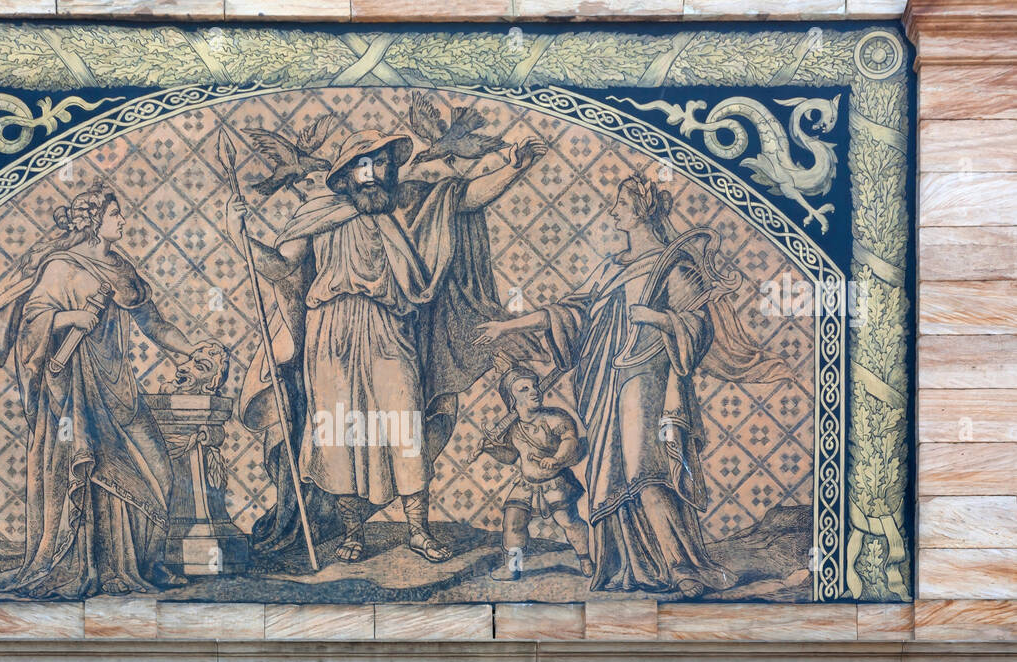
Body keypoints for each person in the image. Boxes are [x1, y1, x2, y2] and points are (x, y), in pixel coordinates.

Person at [229, 127, 547, 564]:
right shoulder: (317, 213)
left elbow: (465, 198)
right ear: (344, 175)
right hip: (331, 332)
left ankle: (419, 530)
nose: (373, 172)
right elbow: (280, 266)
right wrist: (238, 236)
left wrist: (514, 166)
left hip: (389, 327)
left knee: (404, 429)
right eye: (363, 165)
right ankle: (352, 532)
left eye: (380, 163)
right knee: (340, 435)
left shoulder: (406, 206)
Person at [476, 175, 791, 597]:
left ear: (641, 209)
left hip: (648, 378)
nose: (612, 211)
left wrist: (655, 318)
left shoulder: (675, 266)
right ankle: (630, 563)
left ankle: (682, 566)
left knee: (647, 469)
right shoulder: (610, 267)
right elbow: (566, 313)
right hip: (605, 380)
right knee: (613, 474)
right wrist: (508, 325)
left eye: (619, 204)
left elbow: (697, 330)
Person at [0, 182, 196, 597]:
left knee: (160, 470)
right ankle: (88, 566)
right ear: (96, 222)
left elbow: (154, 324)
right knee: (83, 470)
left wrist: (190, 348)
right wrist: (71, 316)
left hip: (119, 388)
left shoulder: (123, 270)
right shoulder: (61, 267)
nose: (123, 221)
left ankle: (144, 564)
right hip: (72, 390)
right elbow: (31, 323)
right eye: (116, 215)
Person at [476, 361, 595, 582]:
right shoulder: (514, 428)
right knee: (513, 523)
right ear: (512, 400)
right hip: (525, 485)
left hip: (555, 483)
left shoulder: (555, 417)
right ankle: (513, 568)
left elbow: (570, 440)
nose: (534, 392)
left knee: (568, 522)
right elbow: (511, 456)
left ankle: (586, 559)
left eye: (534, 386)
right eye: (525, 389)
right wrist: (491, 449)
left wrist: (557, 458)